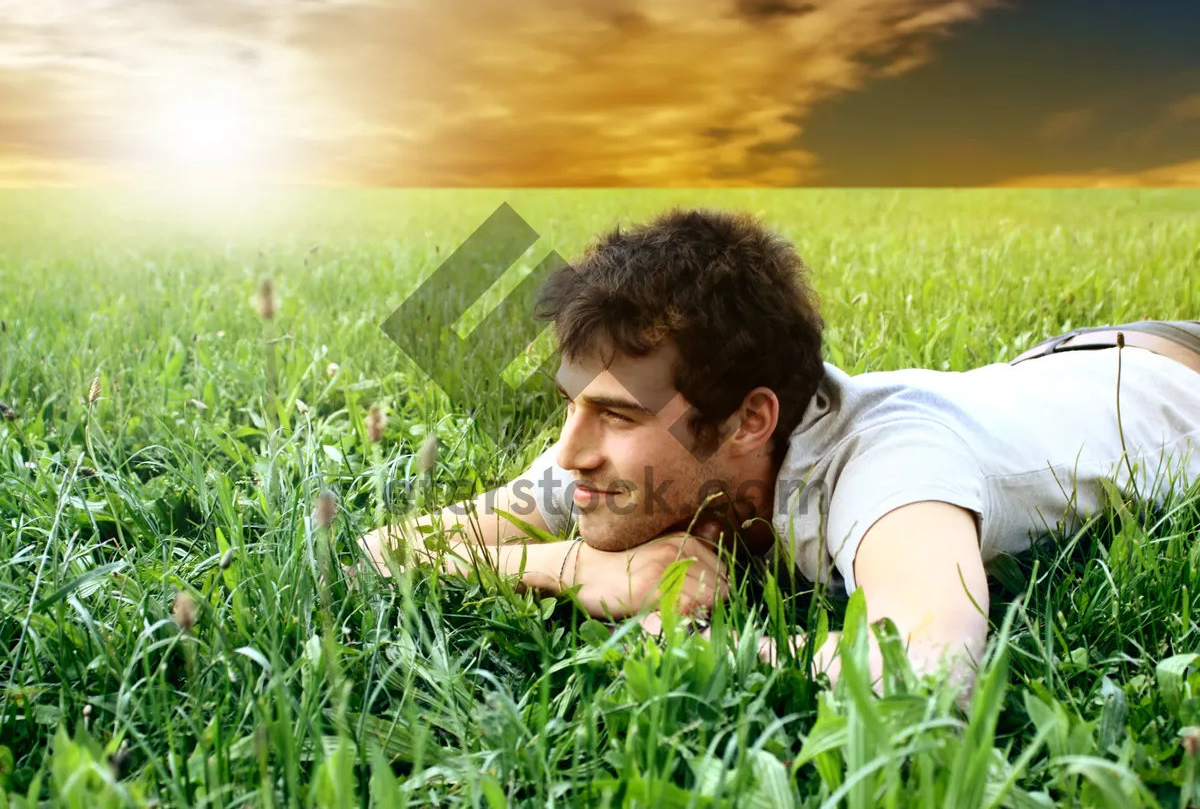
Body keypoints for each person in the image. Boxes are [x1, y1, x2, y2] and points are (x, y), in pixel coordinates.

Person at [360, 207, 1200, 702]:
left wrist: (684, 641)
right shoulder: (622, 455)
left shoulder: (889, 463)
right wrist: (580, 570)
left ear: (747, 420)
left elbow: (929, 673)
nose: (571, 451)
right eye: (573, 407)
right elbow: (381, 548)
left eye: (615, 414)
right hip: (1064, 363)